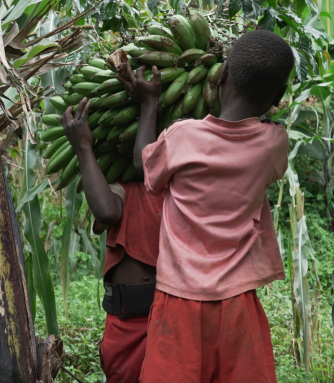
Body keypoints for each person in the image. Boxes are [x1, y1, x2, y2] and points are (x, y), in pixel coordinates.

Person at [118, 30, 293, 383]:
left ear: (222, 75)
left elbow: (143, 167)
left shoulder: (182, 136)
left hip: (178, 301)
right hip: (238, 302)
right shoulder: (274, 143)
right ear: (278, 97)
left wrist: (150, 103)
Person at [61, 96, 165, 383]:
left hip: (170, 315)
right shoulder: (122, 188)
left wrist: (150, 103)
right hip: (127, 321)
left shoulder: (178, 186)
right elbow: (106, 212)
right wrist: (83, 147)